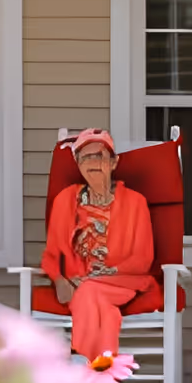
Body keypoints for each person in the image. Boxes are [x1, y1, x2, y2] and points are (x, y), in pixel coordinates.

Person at [41, 128, 156, 362]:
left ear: (114, 162)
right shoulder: (65, 200)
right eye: (86, 157)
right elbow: (51, 254)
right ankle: (102, 376)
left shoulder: (136, 202)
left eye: (100, 156)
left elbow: (143, 258)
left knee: (89, 290)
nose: (93, 162)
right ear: (77, 163)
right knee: (104, 309)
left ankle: (82, 375)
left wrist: (99, 276)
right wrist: (59, 281)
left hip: (122, 280)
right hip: (78, 285)